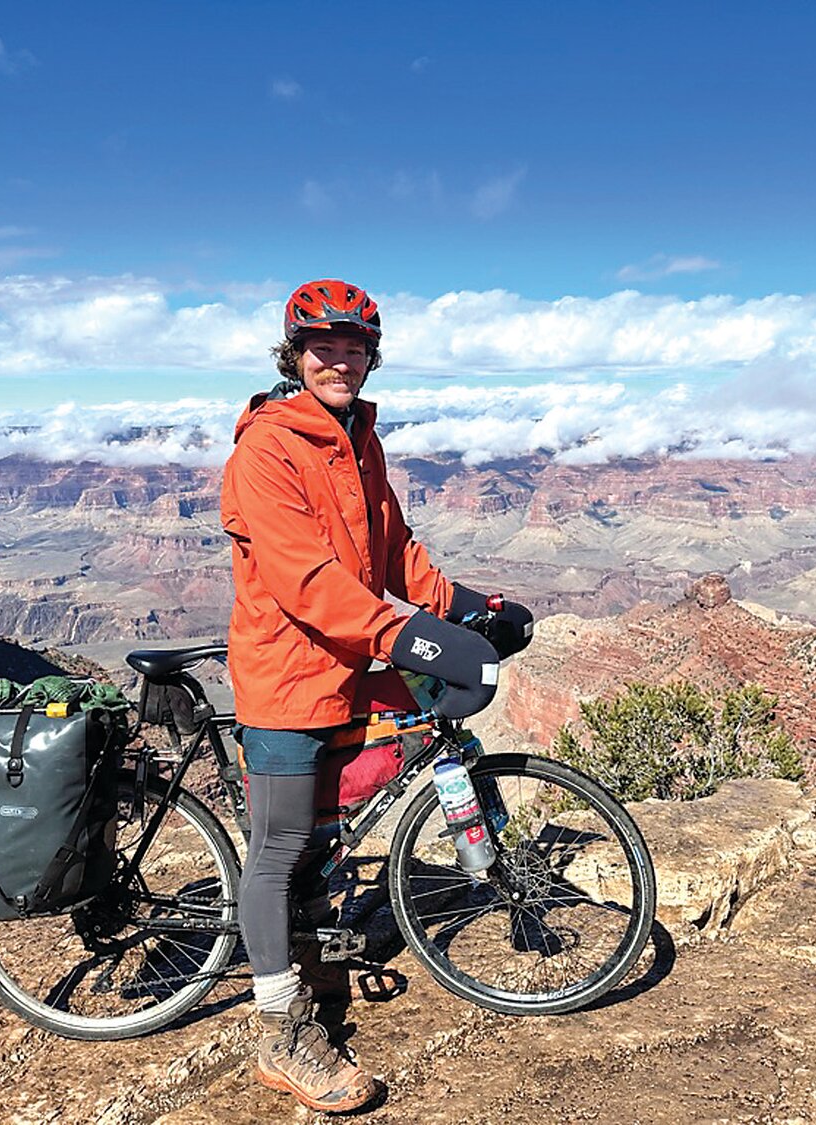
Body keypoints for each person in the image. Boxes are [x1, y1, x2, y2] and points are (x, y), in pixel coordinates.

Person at [220, 279, 532, 1113]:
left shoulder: (359, 438)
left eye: (355, 346)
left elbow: (390, 549)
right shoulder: (268, 448)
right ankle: (279, 1030)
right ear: (294, 356)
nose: (340, 358)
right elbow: (304, 578)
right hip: (288, 673)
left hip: (351, 661)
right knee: (282, 842)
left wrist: (464, 605)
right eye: (323, 345)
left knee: (328, 825)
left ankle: (311, 950)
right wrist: (411, 637)